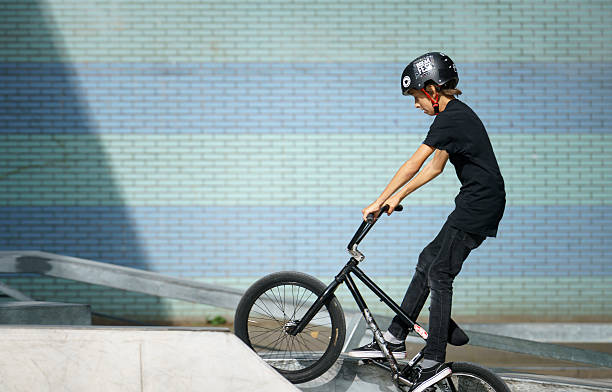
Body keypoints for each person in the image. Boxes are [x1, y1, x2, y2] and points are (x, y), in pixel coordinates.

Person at [347, 52, 506, 392]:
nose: (415, 105)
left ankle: (434, 357)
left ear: (433, 91)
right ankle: (394, 339)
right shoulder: (455, 118)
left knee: (439, 272)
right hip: (476, 202)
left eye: (417, 97)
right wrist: (398, 196)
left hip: (480, 205)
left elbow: (414, 163)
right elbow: (435, 168)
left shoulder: (451, 118)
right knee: (426, 261)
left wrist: (379, 199)